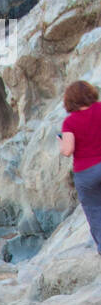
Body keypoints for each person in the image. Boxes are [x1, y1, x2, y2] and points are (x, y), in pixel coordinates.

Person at [60, 79, 101, 252]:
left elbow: (67, 150)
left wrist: (61, 141)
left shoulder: (69, 122)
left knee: (94, 211)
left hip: (86, 173)